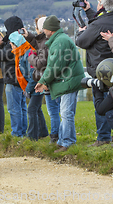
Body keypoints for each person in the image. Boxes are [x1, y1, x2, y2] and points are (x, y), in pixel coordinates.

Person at [76, 0, 113, 147]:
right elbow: (99, 22)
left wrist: (81, 31)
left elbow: (82, 41)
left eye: (98, 3)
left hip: (100, 69)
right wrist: (89, 11)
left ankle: (103, 137)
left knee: (100, 104)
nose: (96, 4)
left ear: (102, 5)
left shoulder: (99, 24)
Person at [35, 15, 84, 153]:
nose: (43, 30)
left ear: (50, 29)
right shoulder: (59, 40)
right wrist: (43, 81)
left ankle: (67, 142)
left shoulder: (60, 42)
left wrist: (43, 81)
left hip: (69, 81)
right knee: (65, 112)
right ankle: (63, 140)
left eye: (45, 28)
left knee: (66, 113)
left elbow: (55, 66)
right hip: (67, 80)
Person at [25, 15, 60, 143]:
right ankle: (50, 133)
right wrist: (28, 35)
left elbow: (41, 63)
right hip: (50, 79)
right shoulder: (47, 41)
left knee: (53, 111)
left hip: (48, 80)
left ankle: (55, 135)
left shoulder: (45, 43)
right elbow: (37, 43)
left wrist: (30, 57)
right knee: (53, 110)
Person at [0, 15, 26, 137]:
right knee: (22, 108)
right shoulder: (23, 40)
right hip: (21, 80)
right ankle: (23, 133)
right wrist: (3, 41)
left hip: (12, 80)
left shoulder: (15, 43)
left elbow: (0, 55)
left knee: (14, 109)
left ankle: (17, 134)